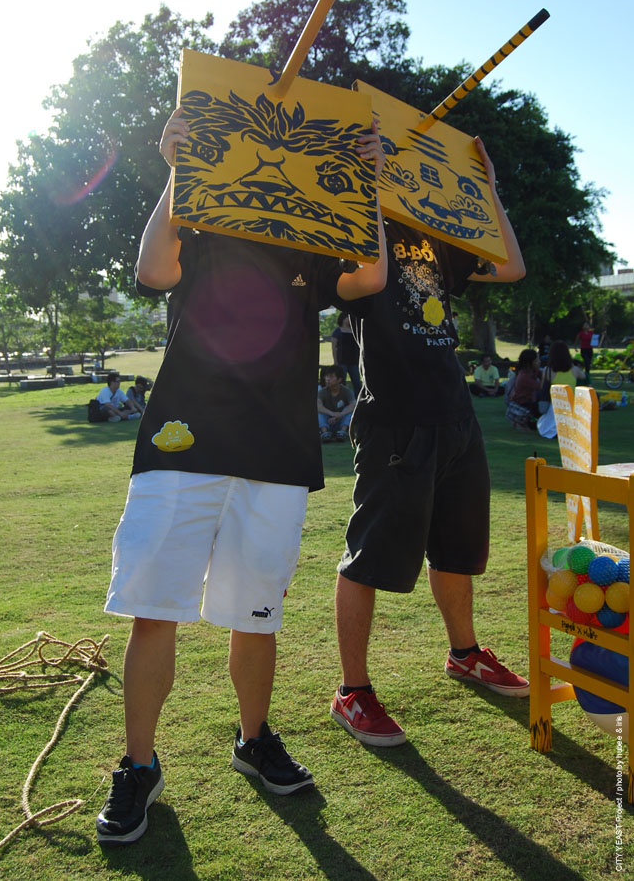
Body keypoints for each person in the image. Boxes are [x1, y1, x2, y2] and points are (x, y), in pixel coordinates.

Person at [95, 106, 388, 845]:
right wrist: (174, 168)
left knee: (256, 613)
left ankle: (253, 739)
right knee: (154, 607)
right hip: (182, 441)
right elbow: (152, 270)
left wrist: (368, 187)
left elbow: (371, 276)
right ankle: (139, 765)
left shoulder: (311, 231)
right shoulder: (205, 207)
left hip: (276, 453)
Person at [328, 136, 529, 749]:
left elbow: (511, 266)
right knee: (370, 556)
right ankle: (352, 692)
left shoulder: (436, 232)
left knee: (457, 550)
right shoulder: (351, 226)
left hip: (456, 414)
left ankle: (464, 653)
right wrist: (368, 186)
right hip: (395, 420)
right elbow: (363, 280)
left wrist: (485, 188)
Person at [317, 364, 355, 442]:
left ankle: (343, 431)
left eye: (331, 377)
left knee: (349, 411)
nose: (327, 379)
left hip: (340, 420)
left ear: (339, 379)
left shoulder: (346, 391)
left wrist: (341, 414)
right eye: (327, 376)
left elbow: (353, 404)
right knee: (319, 412)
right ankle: (325, 432)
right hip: (328, 421)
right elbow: (318, 406)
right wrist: (332, 414)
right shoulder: (322, 392)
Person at [505, 349, 541, 430]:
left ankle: (525, 422)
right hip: (522, 404)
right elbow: (540, 386)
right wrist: (547, 377)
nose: (539, 362)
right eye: (536, 360)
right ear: (529, 363)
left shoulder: (533, 371)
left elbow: (541, 374)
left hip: (529, 402)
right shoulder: (524, 375)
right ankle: (520, 422)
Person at [331, 312, 361, 395]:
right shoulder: (337, 331)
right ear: (343, 319)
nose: (350, 319)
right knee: (341, 383)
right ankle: (343, 400)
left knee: (357, 383)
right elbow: (334, 348)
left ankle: (357, 400)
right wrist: (335, 361)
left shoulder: (355, 331)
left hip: (353, 362)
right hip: (342, 362)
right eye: (348, 317)